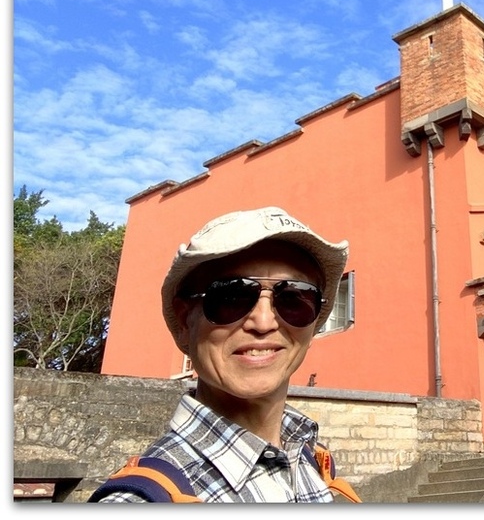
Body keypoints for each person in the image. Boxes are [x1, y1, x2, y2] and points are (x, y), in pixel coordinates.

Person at [90, 206, 359, 503]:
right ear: (184, 322)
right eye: (231, 296)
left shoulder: (313, 461)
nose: (264, 322)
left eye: (294, 298)